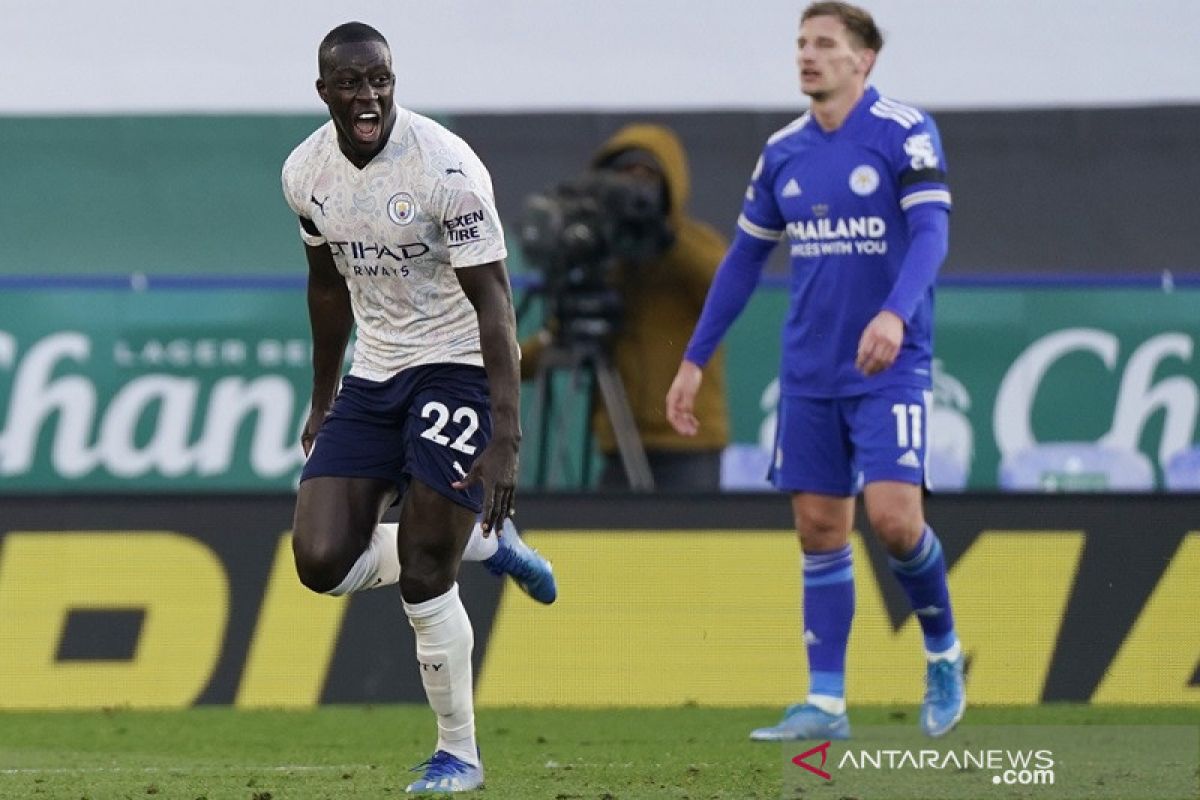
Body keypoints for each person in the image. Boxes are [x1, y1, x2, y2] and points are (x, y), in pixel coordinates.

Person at [666, 2, 965, 739]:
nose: (807, 55)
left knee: (896, 522)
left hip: (889, 365)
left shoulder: (903, 131)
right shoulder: (784, 153)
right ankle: (826, 704)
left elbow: (932, 231)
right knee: (819, 528)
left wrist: (895, 314)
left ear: (863, 61)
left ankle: (944, 651)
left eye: (825, 44)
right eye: (802, 43)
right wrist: (694, 359)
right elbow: (742, 262)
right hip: (809, 372)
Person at [281, 22, 555, 793]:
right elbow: (328, 286)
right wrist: (322, 397)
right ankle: (486, 543)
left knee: (424, 573)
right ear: (324, 91)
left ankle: (458, 755)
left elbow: (496, 307)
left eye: (381, 80)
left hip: (459, 367)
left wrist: (507, 436)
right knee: (320, 563)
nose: (368, 96)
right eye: (352, 83)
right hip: (375, 373)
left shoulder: (447, 169)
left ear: (394, 82)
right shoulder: (305, 172)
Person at [521, 123, 731, 491]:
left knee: (685, 549)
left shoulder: (694, 244)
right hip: (620, 444)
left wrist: (666, 236)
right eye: (622, 176)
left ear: (670, 184)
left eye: (646, 177)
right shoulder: (605, 256)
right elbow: (561, 332)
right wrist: (498, 365)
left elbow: (725, 286)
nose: (633, 188)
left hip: (687, 442)